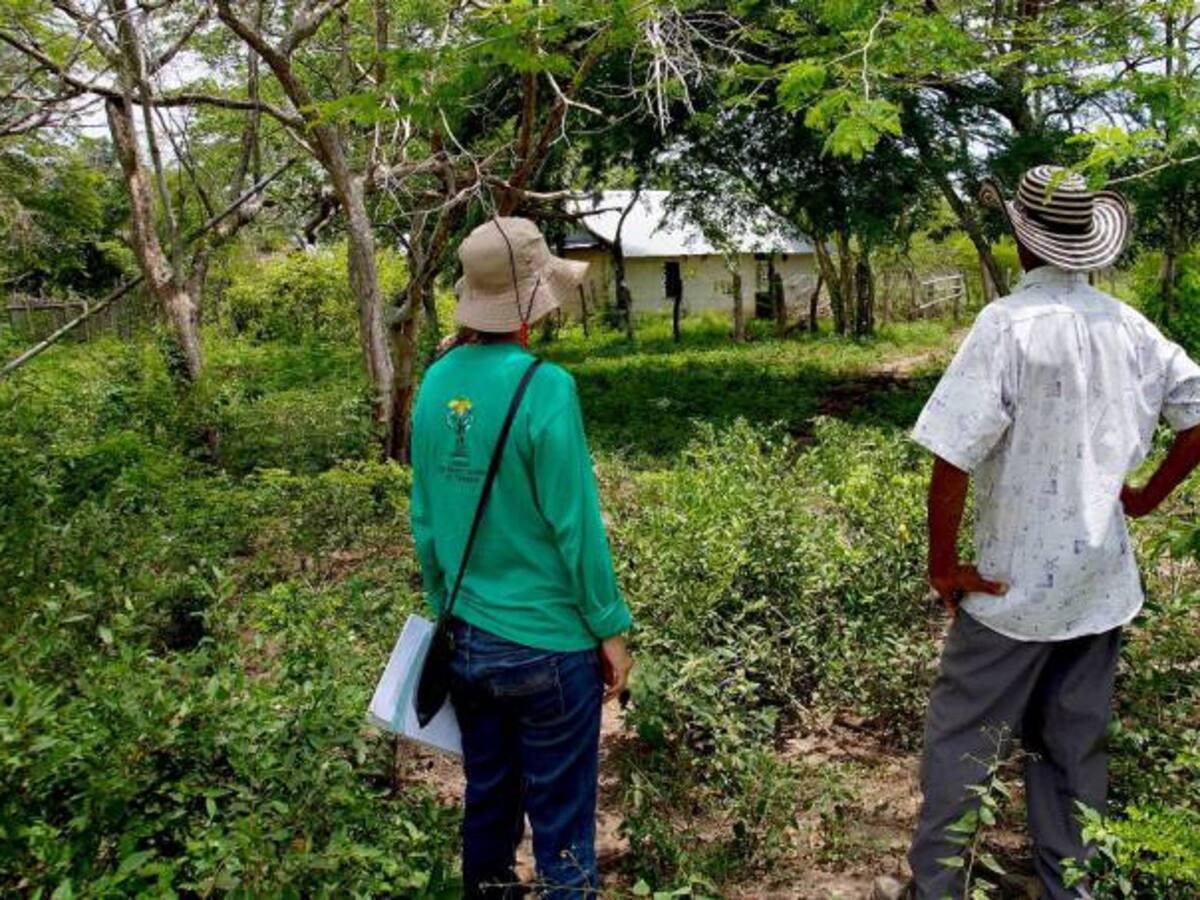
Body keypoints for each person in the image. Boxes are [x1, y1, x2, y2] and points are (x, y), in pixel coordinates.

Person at [873, 166, 1200, 900]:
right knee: (1073, 750)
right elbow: (1199, 414)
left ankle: (939, 888)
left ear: (1022, 241)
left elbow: (953, 456)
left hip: (1009, 588)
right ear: (1086, 244)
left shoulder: (1007, 327)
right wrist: (1145, 496)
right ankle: (1071, 886)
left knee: (964, 744)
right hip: (1097, 586)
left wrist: (942, 565)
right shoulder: (1130, 327)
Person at [410, 216, 634, 899]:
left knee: (489, 804)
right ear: (532, 302)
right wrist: (611, 630)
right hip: (549, 652)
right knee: (562, 828)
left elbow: (426, 522)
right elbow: (577, 528)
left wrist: (444, 608)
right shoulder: (545, 387)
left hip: (468, 643)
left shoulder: (434, 382)